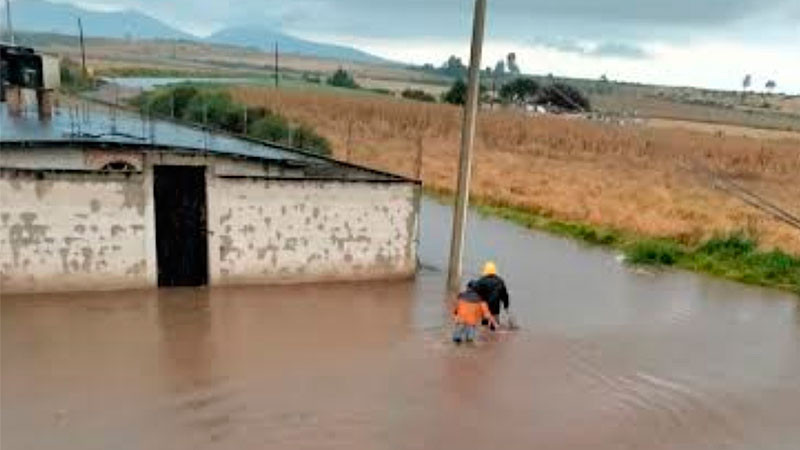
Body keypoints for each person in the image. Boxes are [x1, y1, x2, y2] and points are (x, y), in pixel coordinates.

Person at [473, 261, 510, 330]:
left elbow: (474, 293)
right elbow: (504, 295)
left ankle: (485, 337)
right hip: (495, 308)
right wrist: (506, 305)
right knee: (494, 326)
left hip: (485, 307)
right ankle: (493, 337)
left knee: (484, 325)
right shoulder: (500, 281)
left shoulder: (481, 281)